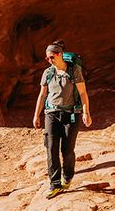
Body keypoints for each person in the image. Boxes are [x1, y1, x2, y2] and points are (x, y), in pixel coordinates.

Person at [33, 41, 91, 198]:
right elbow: (42, 94)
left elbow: (83, 93)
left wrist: (86, 112)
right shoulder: (48, 73)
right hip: (51, 113)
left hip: (71, 114)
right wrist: (36, 115)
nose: (49, 60)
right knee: (51, 148)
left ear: (59, 55)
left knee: (67, 150)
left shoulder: (74, 70)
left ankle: (68, 176)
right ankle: (55, 183)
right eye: (47, 58)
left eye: (51, 57)